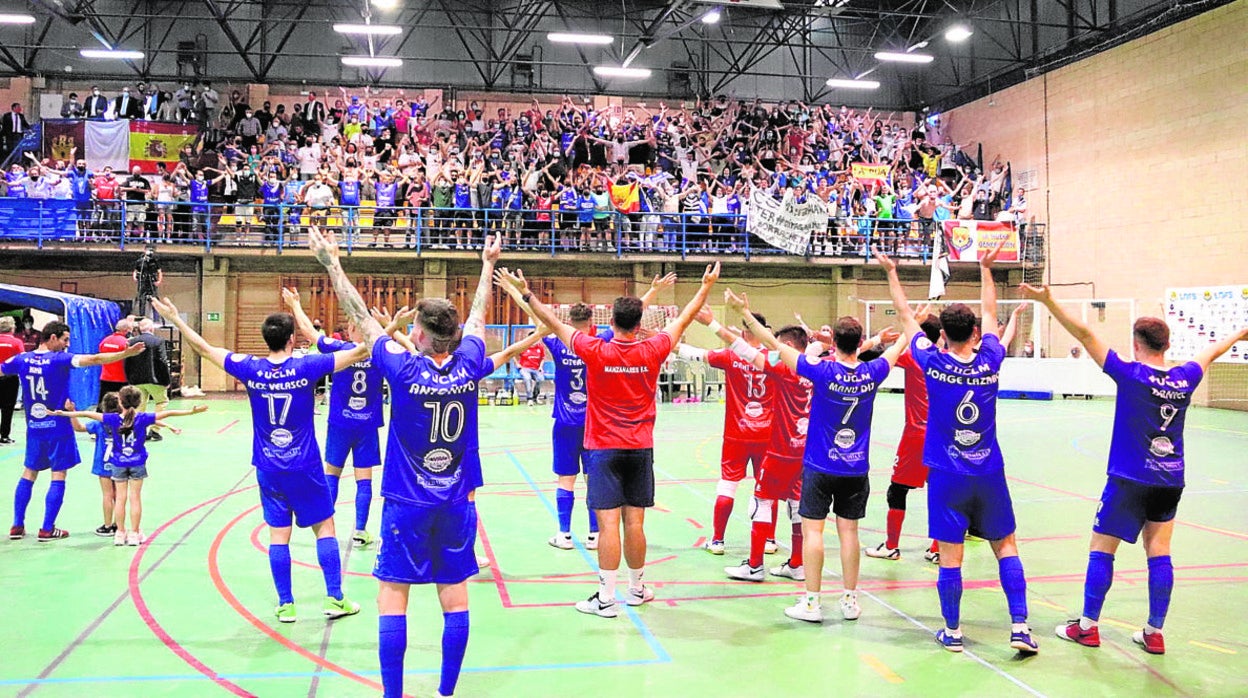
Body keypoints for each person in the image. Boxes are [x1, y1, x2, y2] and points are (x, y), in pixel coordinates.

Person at [309, 228, 548, 698]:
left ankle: (393, 693)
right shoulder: (470, 362)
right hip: (457, 502)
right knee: (454, 596)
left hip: (407, 502)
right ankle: (446, 691)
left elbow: (362, 318)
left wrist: (332, 264)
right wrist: (486, 264)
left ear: (418, 333)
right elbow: (478, 319)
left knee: (391, 597)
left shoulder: (402, 367)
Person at [1023, 284, 1248, 655]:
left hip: (1130, 477)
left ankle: (1088, 626)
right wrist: (1241, 332)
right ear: (1167, 345)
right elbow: (1213, 350)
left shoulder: (1130, 374)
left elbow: (1085, 333)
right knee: (1159, 550)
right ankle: (1154, 632)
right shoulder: (1185, 378)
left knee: (1102, 548)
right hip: (1171, 478)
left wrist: (1047, 300)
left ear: (1137, 343)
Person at [500, 261, 721, 619]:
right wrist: (706, 285)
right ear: (640, 324)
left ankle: (606, 597)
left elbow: (553, 322)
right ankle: (636, 588)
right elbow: (685, 318)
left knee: (606, 526)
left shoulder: (595, 350)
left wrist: (525, 292)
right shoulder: (654, 349)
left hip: (603, 448)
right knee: (635, 523)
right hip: (640, 449)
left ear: (611, 321)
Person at [149, 295, 366, 623]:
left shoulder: (251, 368)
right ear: (292, 339)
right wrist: (387, 327)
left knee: (279, 535)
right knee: (325, 528)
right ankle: (335, 597)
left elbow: (206, 349)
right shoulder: (308, 366)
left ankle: (286, 604)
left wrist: (177, 319)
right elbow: (362, 351)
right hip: (304, 466)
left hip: (268, 467)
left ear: (266, 339)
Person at [876, 243, 1039, 654]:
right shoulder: (991, 358)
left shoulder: (932, 361)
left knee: (950, 557)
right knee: (1006, 546)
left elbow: (907, 317)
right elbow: (991, 315)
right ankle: (1020, 627)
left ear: (943, 335)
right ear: (977, 336)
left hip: (947, 474)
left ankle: (952, 631)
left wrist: (892, 273)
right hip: (989, 471)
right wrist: (986, 270)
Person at [732, 292, 903, 622]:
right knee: (849, 534)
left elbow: (773, 344)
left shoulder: (822, 372)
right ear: (859, 343)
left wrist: (746, 314)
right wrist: (913, 323)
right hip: (856, 468)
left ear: (833, 343)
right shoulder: (873, 373)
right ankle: (850, 601)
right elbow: (897, 350)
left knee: (813, 533)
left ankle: (811, 602)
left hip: (821, 466)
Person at [2, 322, 144, 541]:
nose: (67, 344)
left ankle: (17, 526)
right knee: (58, 475)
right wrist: (126, 353)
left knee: (29, 473)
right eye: (64, 339)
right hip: (59, 427)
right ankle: (47, 529)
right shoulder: (60, 359)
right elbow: (95, 359)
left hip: (34, 427)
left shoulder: (21, 359)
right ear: (51, 338)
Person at [705, 316, 812, 585]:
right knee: (797, 504)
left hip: (778, 448)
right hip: (805, 449)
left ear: (787, 345)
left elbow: (745, 352)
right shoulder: (819, 368)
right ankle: (796, 563)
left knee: (762, 500)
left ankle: (753, 565)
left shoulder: (781, 367)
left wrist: (712, 323)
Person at [282, 287, 381, 547]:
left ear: (350, 331)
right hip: (367, 424)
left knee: (332, 474)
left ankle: (327, 525)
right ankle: (360, 531)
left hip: (340, 422)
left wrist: (295, 306)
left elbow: (309, 333)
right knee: (364, 478)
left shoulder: (340, 348)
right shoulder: (380, 352)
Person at [52, 387, 207, 546]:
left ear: (121, 402)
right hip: (137, 462)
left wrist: (64, 413)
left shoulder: (111, 420)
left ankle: (119, 533)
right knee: (135, 498)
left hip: (118, 462)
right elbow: (168, 413)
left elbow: (85, 414)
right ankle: (134, 533)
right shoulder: (142, 418)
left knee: (120, 498)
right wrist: (190, 412)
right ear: (139, 402)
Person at [686, 304, 774, 556]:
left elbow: (696, 354)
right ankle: (768, 540)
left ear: (744, 333)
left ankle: (717, 541)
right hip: (767, 434)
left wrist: (668, 344)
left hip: (737, 433)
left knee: (727, 486)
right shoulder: (773, 357)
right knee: (766, 488)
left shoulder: (730, 356)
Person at [865, 308, 943, 564]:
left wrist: (880, 340)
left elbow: (869, 357)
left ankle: (891, 545)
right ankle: (937, 547)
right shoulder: (946, 359)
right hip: (943, 436)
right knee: (940, 491)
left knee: (896, 491)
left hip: (916, 436)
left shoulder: (913, 357)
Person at [68, 393, 119, 536]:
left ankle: (108, 525)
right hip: (121, 462)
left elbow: (78, 427)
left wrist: (72, 412)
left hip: (103, 462)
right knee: (119, 495)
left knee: (107, 495)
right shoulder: (123, 422)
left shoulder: (98, 423)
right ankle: (118, 524)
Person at [125, 318, 171, 442]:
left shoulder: (131, 341)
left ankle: (139, 431)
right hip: (155, 379)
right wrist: (167, 380)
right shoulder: (158, 341)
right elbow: (162, 361)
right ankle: (155, 430)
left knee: (139, 406)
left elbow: (126, 361)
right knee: (161, 402)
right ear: (152, 329)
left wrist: (129, 378)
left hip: (136, 380)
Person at [97, 318, 133, 406]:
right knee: (122, 405)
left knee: (104, 404)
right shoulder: (126, 343)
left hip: (105, 377)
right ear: (126, 330)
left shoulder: (105, 341)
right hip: (121, 378)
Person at [0, 317, 23, 445]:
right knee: (7, 408)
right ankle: (4, 436)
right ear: (12, 328)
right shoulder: (16, 342)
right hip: (10, 377)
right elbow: (21, 359)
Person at [133, 248, 163, 319]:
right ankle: (141, 316)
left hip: (152, 280)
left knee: (154, 298)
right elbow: (135, 271)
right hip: (143, 281)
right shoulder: (140, 261)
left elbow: (159, 272)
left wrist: (159, 281)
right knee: (141, 298)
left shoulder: (155, 261)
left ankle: (157, 316)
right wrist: (134, 277)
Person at [516, 340, 545, 406]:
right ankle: (530, 398)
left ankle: (535, 396)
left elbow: (543, 358)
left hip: (536, 369)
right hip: (524, 368)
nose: (536, 342)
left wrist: (541, 367)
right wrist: (517, 363)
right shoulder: (524, 346)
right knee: (527, 378)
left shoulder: (540, 347)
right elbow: (513, 354)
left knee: (540, 379)